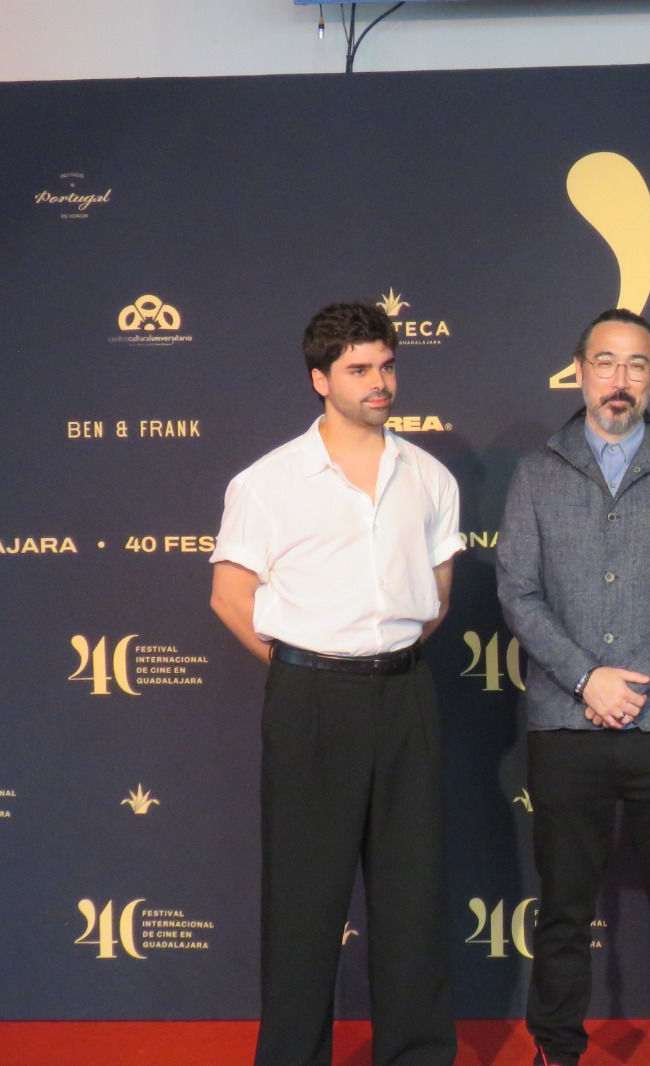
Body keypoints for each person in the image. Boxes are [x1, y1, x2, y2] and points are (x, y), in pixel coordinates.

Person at [209, 301, 461, 1066]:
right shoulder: (268, 482)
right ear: (321, 379)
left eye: (386, 366)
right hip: (310, 701)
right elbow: (229, 597)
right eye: (359, 369)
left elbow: (437, 598)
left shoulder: (432, 477)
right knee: (303, 904)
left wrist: (375, 660)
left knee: (412, 900)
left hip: (405, 695)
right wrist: (312, 665)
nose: (379, 382)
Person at [495, 308, 650, 1066]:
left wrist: (638, 679)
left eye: (637, 365)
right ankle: (556, 1048)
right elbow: (517, 594)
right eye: (606, 362)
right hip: (566, 723)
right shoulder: (537, 473)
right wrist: (586, 677)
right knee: (562, 910)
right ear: (579, 369)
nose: (620, 380)